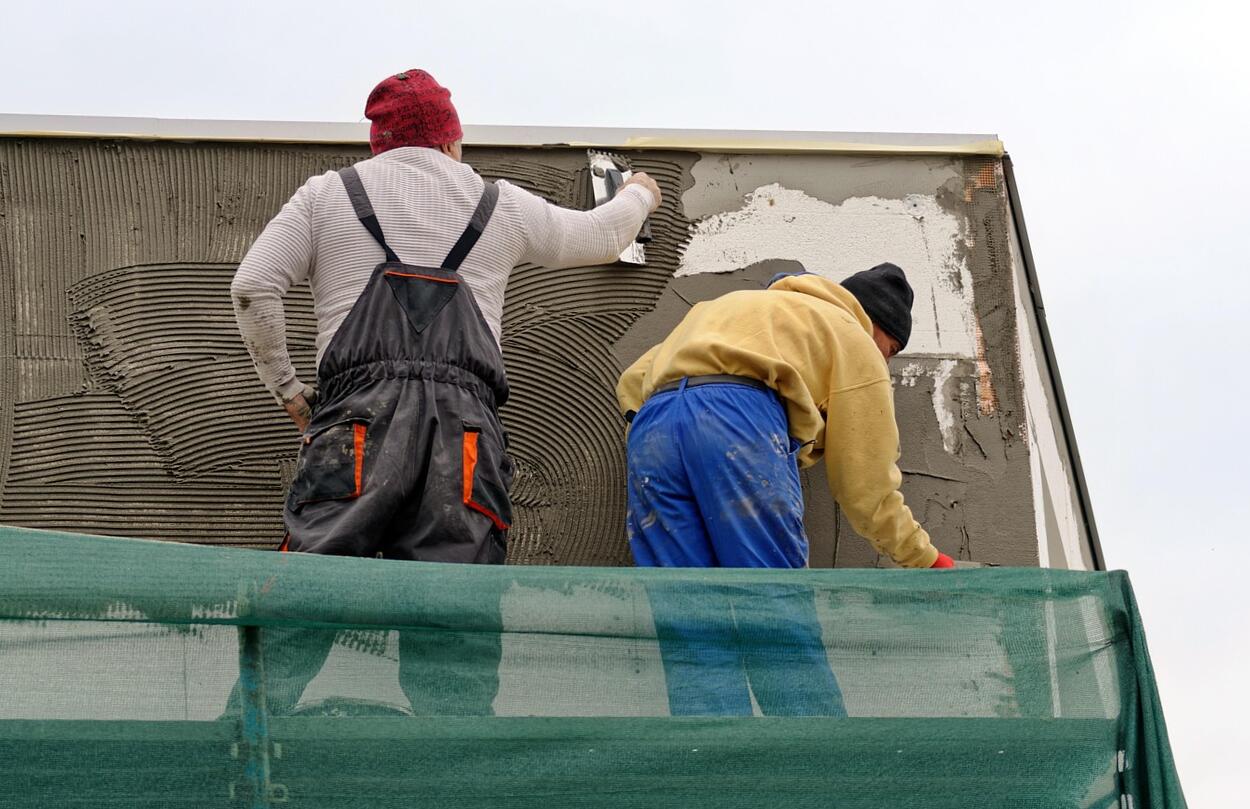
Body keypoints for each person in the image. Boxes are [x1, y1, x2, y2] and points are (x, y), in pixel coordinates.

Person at [228, 68, 660, 716]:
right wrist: (640, 196)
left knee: (305, 598)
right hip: (462, 440)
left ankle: (242, 754)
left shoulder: (326, 196)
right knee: (453, 624)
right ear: (453, 142)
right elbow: (601, 236)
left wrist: (293, 394)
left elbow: (253, 286)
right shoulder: (500, 204)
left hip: (354, 427)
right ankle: (451, 773)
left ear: (379, 143)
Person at [616, 263, 953, 716]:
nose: (885, 363)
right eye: (888, 350)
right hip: (738, 421)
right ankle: (812, 761)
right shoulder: (849, 336)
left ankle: (716, 765)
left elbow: (634, 379)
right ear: (872, 324)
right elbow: (865, 486)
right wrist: (924, 558)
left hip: (652, 431)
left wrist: (678, 432)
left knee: (689, 623)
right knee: (772, 607)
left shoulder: (734, 306)